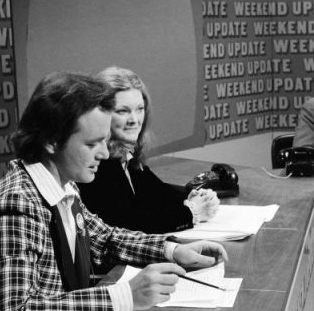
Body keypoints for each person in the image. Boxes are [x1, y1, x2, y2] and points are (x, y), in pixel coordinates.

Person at [0, 71, 227, 311]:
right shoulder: (16, 205)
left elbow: (105, 239)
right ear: (51, 140)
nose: (105, 153)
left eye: (105, 141)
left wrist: (173, 250)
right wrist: (128, 296)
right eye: (93, 143)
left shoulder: (63, 186)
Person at [79, 66, 219, 234]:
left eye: (139, 109)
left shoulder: (124, 154)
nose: (134, 120)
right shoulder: (99, 162)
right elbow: (129, 223)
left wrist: (196, 197)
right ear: (101, 114)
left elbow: (156, 193)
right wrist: (191, 211)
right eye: (123, 111)